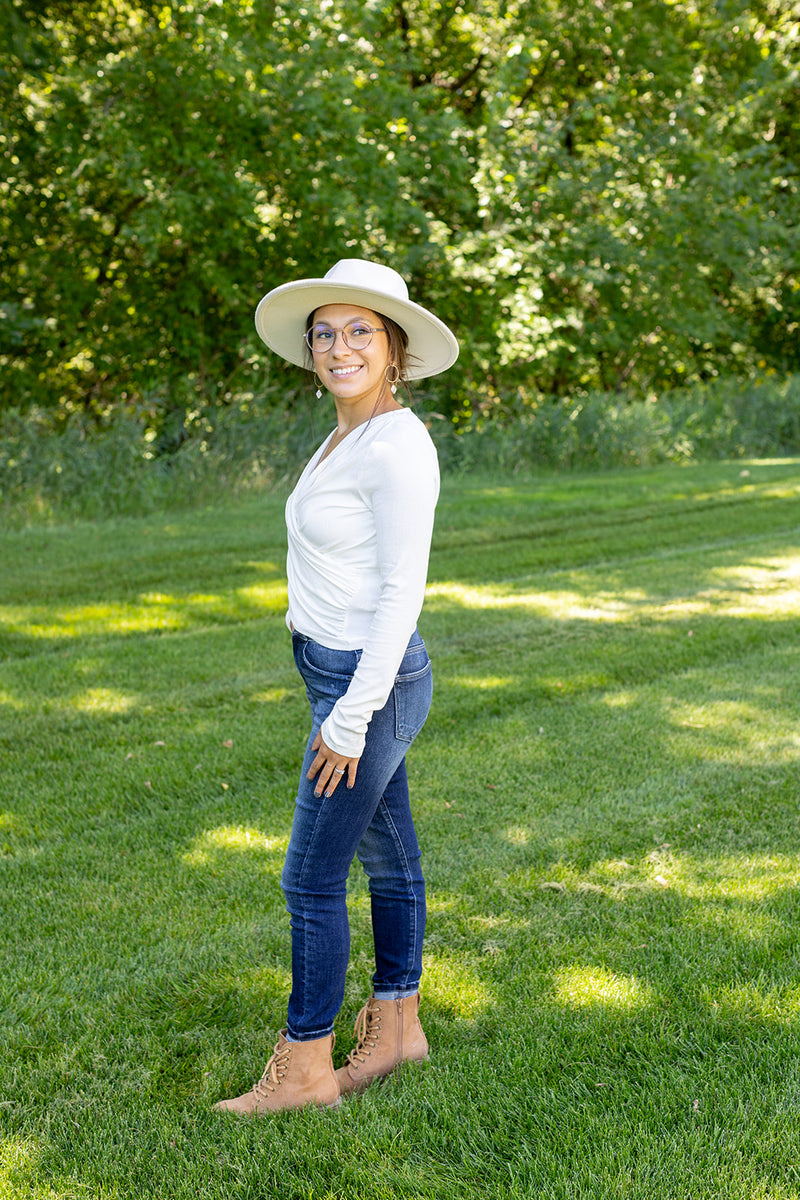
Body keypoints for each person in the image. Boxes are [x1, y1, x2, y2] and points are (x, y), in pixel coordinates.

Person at [215, 258, 459, 1115]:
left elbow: (403, 592)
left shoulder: (398, 444)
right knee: (389, 861)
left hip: (370, 685)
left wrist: (351, 719)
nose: (339, 346)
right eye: (326, 333)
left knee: (309, 878)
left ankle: (307, 1067)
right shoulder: (345, 434)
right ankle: (398, 1028)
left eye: (361, 331)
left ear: (394, 349)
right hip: (343, 676)